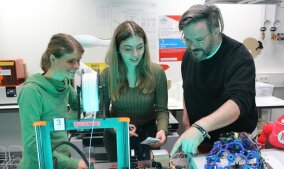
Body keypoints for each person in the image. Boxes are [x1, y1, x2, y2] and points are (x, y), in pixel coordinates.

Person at [171, 4, 258, 156]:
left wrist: (199, 127)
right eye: (187, 39)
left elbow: (238, 103)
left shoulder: (238, 57)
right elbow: (188, 88)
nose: (192, 46)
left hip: (236, 145)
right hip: (203, 141)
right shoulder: (189, 55)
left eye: (198, 39)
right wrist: (187, 120)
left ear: (216, 31)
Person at [101, 20, 169, 161]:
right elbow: (103, 113)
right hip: (117, 135)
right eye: (128, 48)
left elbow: (162, 110)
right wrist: (117, 129)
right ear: (118, 49)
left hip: (148, 135)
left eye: (140, 47)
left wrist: (162, 130)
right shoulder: (107, 75)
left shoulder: (157, 73)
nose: (135, 54)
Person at [18, 33, 88, 169]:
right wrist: (73, 164)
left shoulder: (65, 84)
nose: (76, 66)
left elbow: (78, 107)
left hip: (59, 162)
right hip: (38, 164)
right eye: (71, 61)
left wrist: (63, 124)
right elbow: (33, 145)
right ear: (53, 59)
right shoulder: (32, 92)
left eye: (78, 61)